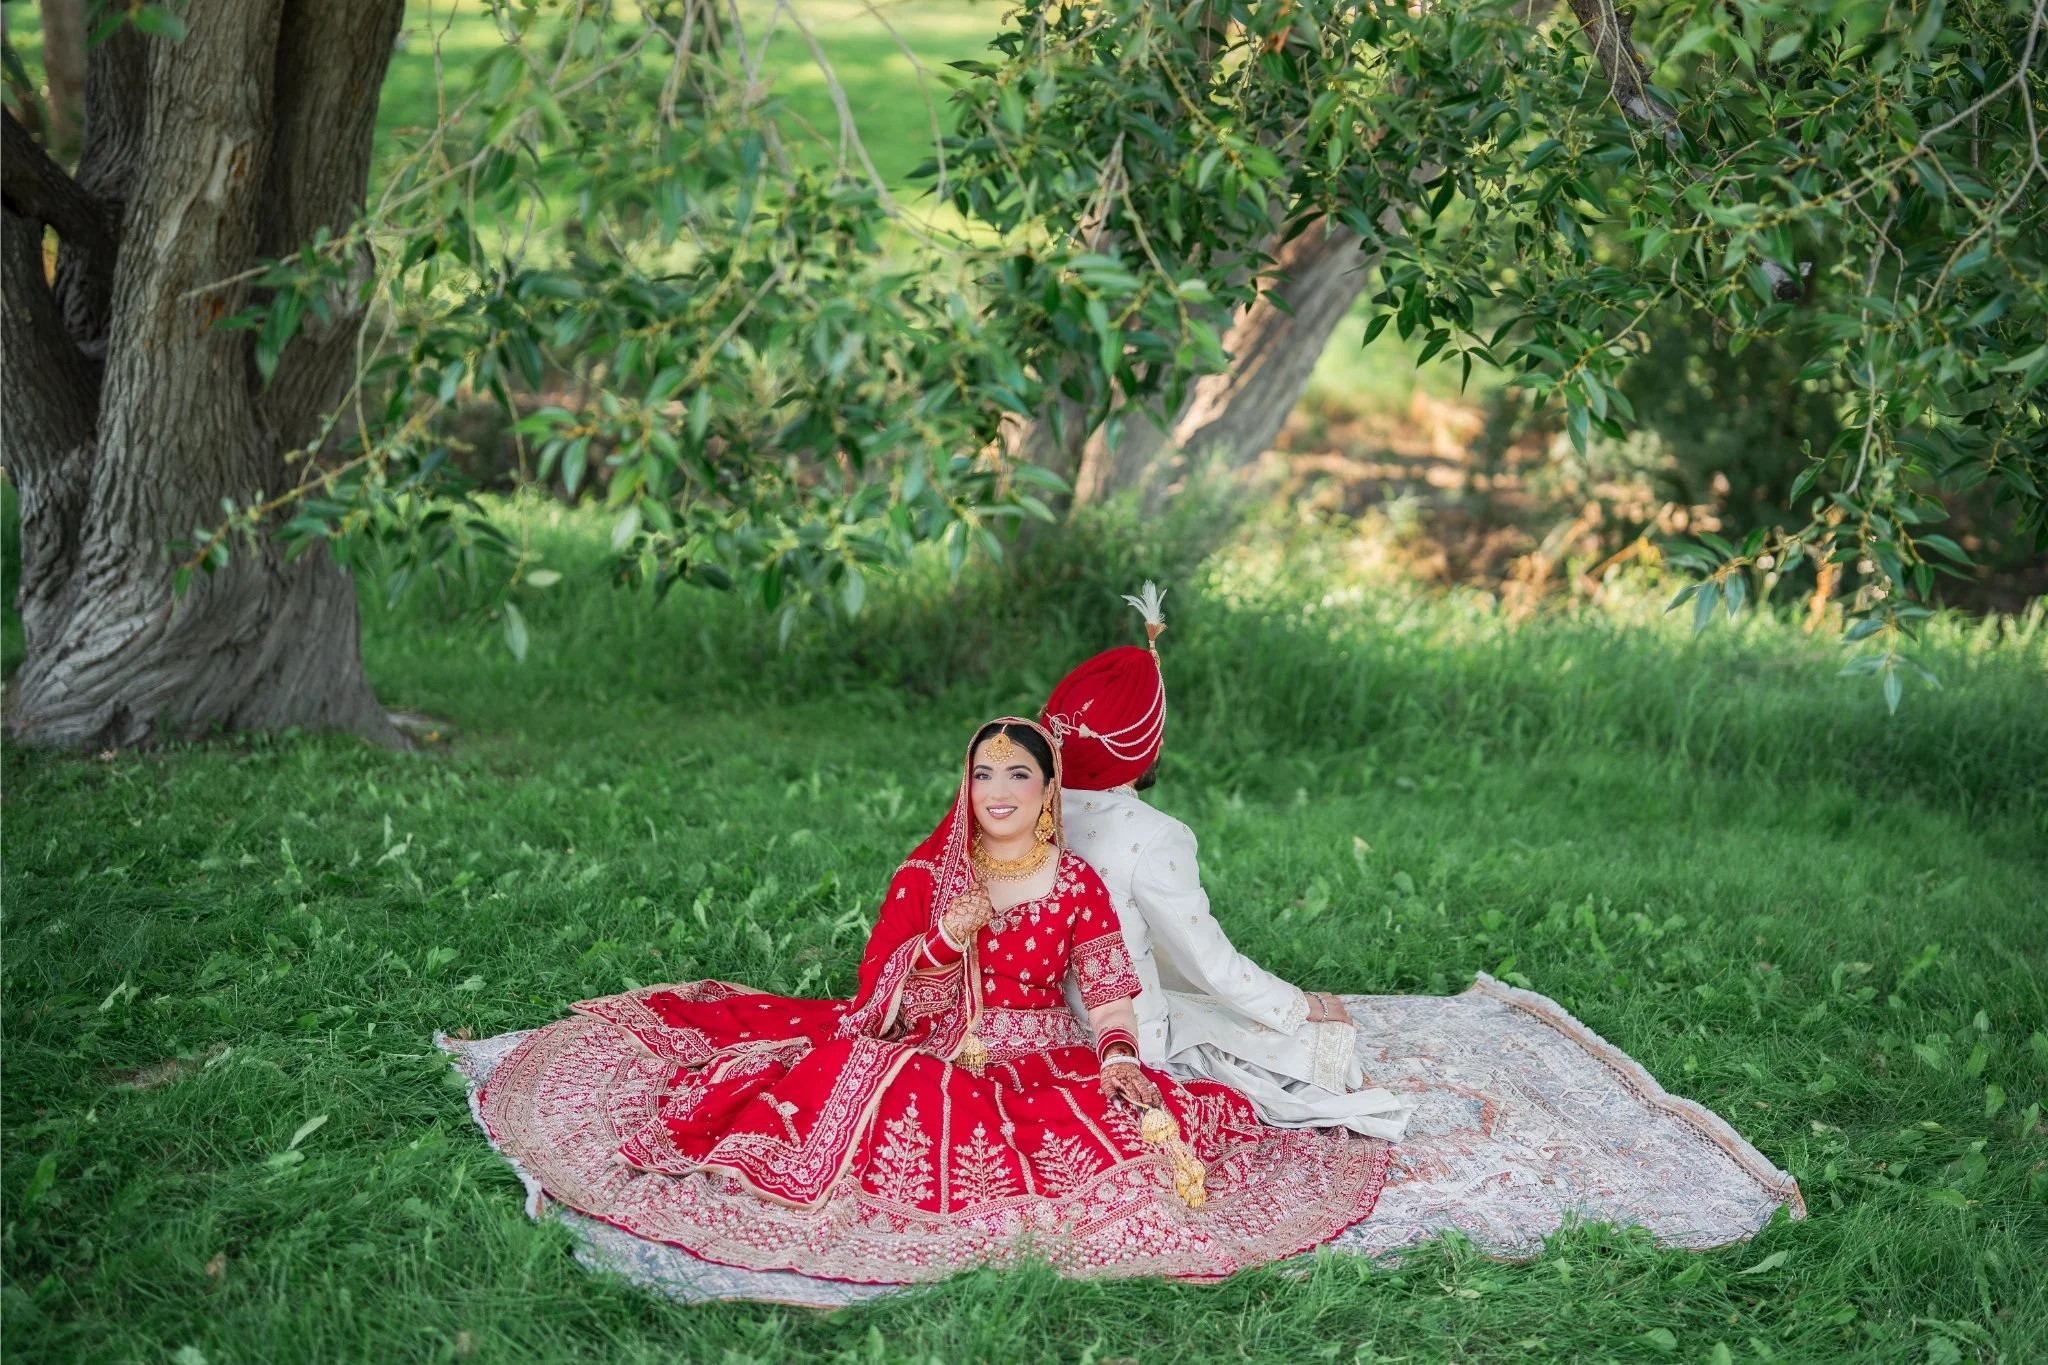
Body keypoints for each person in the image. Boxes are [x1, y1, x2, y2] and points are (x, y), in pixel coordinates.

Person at [474, 717, 1392, 1284]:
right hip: (941, 1048)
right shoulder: (930, 873)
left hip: (1049, 1053)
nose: (997, 791)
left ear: (1048, 790)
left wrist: (1117, 1054)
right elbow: (888, 1000)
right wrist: (947, 935)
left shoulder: (1073, 882)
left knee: (1128, 1148)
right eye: (984, 774)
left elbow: (1108, 983)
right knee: (865, 1102)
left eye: (1019, 775)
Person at [1043, 586, 1414, 1139]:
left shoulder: (1018, 805)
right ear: (1147, 743)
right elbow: (1209, 962)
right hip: (1118, 1038)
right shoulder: (1151, 837)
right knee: (1307, 1047)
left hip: (1032, 1023)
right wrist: (1300, 1005)